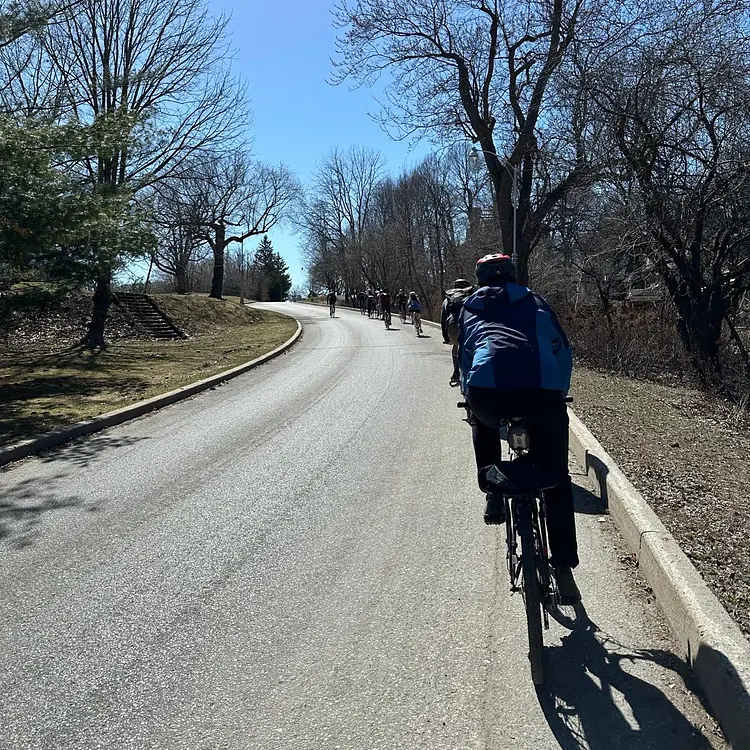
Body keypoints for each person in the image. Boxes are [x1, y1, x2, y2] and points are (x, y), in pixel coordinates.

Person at [457, 253, 580, 604]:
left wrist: (471, 396)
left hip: (488, 395)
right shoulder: (536, 301)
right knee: (556, 477)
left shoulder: (469, 308)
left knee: (479, 421)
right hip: (541, 394)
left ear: (479, 280)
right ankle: (563, 566)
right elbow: (562, 351)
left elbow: (465, 359)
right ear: (513, 275)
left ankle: (493, 494)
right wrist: (559, 390)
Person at [441, 278, 474, 386]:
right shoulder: (472, 297)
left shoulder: (447, 300)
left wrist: (446, 337)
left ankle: (456, 372)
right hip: (469, 328)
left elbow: (443, 319)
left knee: (456, 346)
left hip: (453, 328)